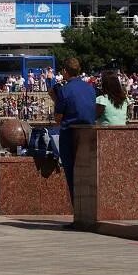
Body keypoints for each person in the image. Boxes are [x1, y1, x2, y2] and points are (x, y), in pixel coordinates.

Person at [51, 57, 96, 202]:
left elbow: (58, 119)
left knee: (71, 174)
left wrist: (55, 99)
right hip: (89, 134)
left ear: (65, 71)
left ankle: (77, 210)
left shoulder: (64, 90)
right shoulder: (90, 88)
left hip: (69, 134)